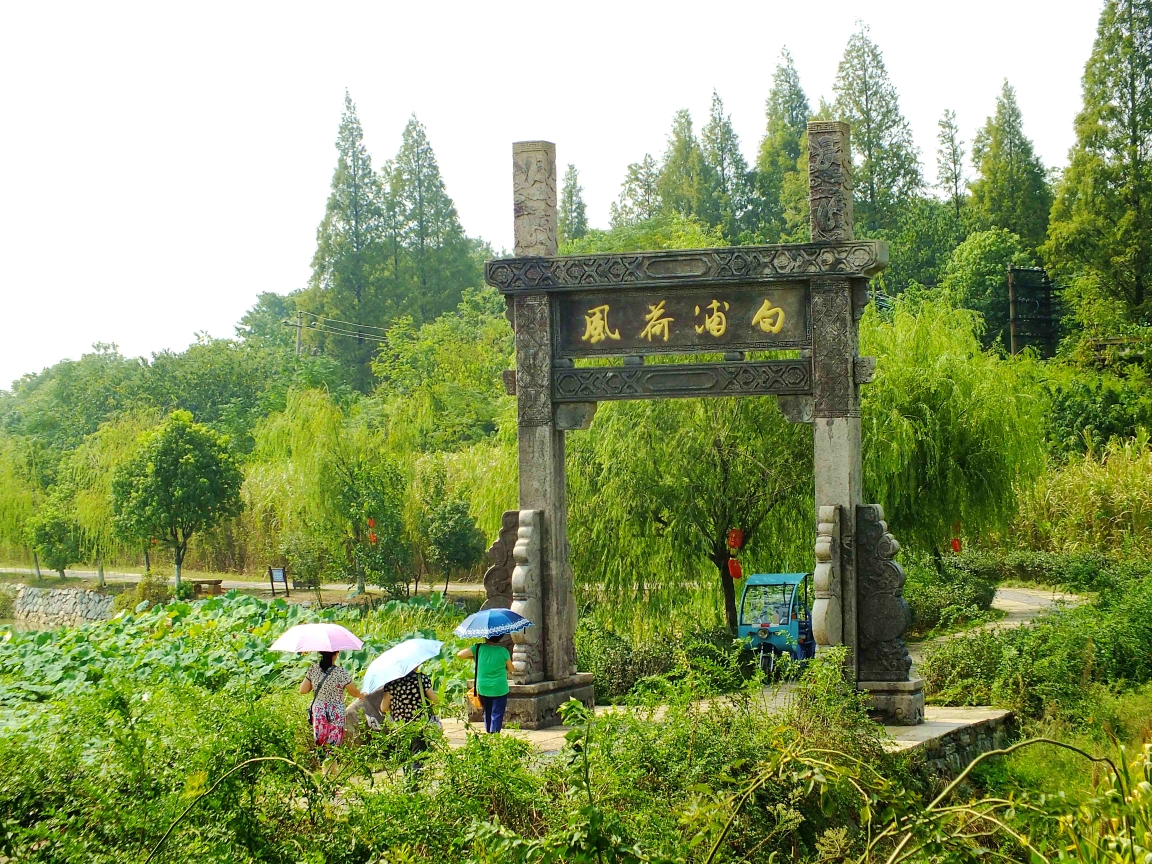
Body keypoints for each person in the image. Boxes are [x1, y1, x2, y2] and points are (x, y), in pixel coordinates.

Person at [379, 664, 440, 775]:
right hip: (419, 724)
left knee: (405, 756)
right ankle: (414, 784)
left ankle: (407, 783)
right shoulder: (421, 678)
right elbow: (434, 700)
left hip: (400, 726)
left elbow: (383, 708)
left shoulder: (391, 683)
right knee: (418, 755)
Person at [299, 650, 363, 748]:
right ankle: (332, 762)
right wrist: (362, 695)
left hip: (319, 712)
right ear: (336, 654)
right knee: (333, 747)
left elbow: (303, 690)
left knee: (321, 745)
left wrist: (316, 683)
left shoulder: (313, 669)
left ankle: (323, 762)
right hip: (336, 712)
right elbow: (353, 692)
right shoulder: (341, 672)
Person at [457, 636, 514, 733]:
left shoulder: (478, 648)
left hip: (483, 687)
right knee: (497, 713)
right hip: (499, 688)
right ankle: (494, 736)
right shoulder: (503, 651)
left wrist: (474, 656)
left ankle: (488, 733)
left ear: (485, 637)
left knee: (487, 711)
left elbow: (460, 654)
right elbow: (511, 669)